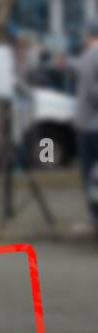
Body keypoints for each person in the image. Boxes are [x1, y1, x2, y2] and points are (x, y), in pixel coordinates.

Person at [75, 20, 98, 236]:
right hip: (90, 123)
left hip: (89, 125)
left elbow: (91, 89)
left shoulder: (91, 55)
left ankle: (93, 216)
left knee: (89, 173)